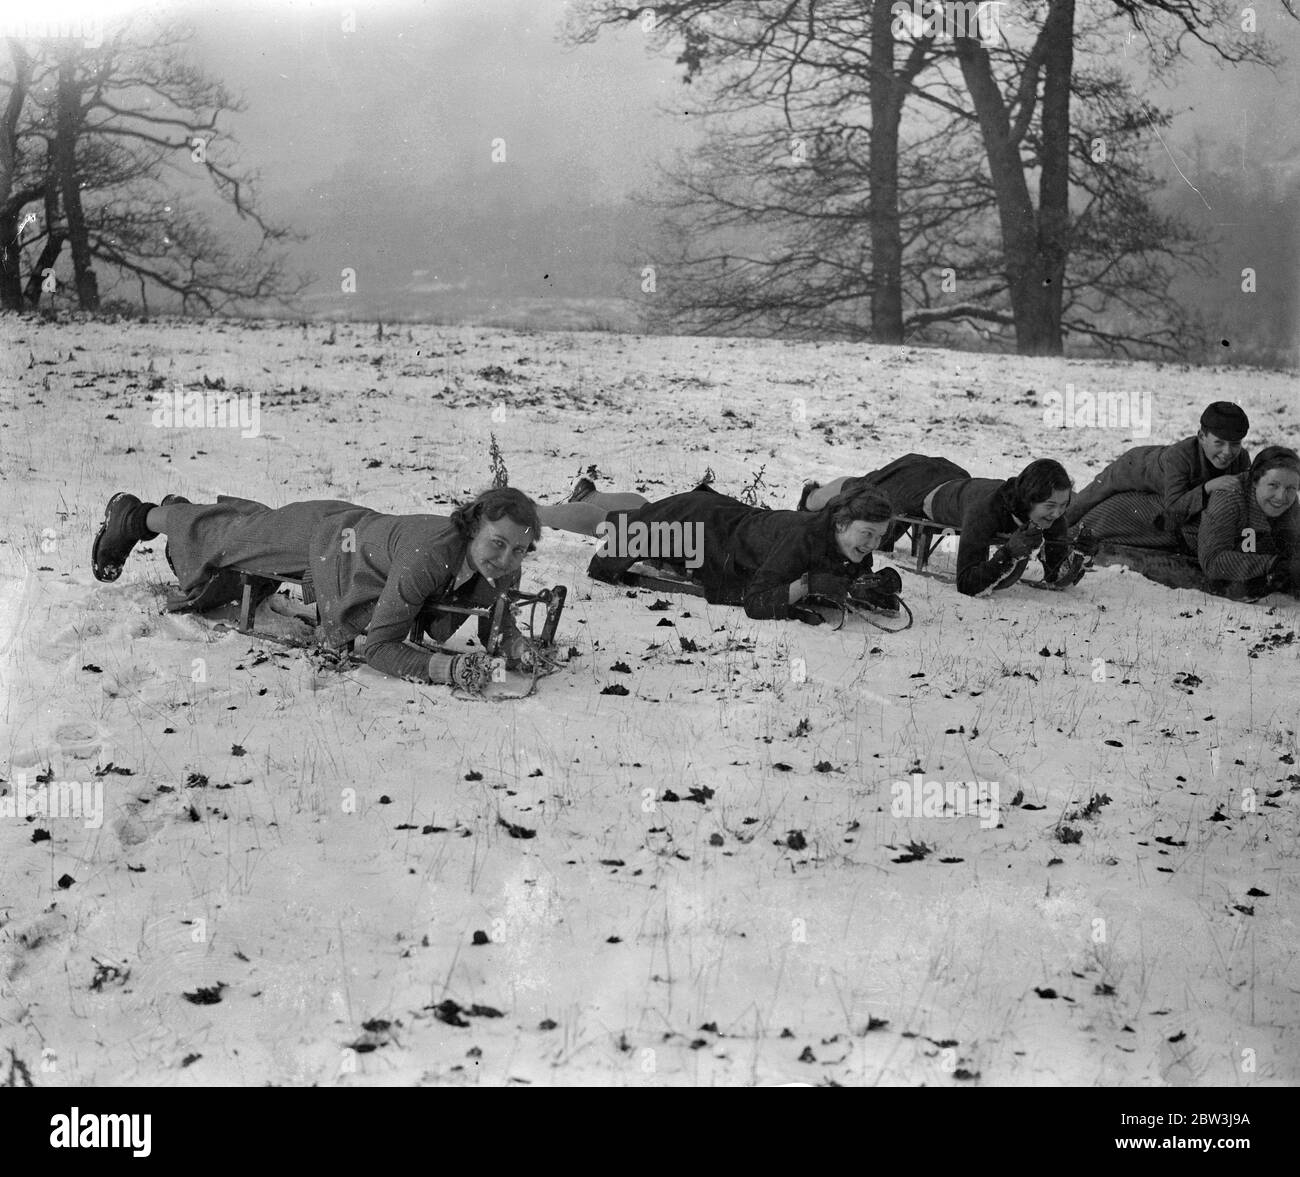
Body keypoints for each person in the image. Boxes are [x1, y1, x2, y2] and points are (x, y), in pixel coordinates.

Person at [91, 487, 550, 689]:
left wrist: (515, 645)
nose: (508, 560)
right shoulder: (427, 557)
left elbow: (502, 613)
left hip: (360, 537)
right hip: (328, 537)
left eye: (520, 550)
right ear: (473, 527)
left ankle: (185, 514)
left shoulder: (502, 566)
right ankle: (136, 516)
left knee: (243, 530)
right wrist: (447, 671)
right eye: (499, 543)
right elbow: (380, 648)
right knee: (233, 537)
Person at [541, 479, 899, 623]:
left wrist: (864, 585)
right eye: (867, 534)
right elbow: (756, 602)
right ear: (840, 522)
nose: (871, 546)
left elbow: (845, 572)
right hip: (700, 532)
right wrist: (805, 586)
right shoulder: (804, 538)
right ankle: (530, 514)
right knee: (611, 529)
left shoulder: (847, 541)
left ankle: (589, 495)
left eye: (878, 538)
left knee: (639, 514)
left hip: (724, 522)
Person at [798, 454, 1082, 597]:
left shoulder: (1050, 512)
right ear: (1029, 498)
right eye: (1050, 506)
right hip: (916, 486)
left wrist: (1079, 556)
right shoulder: (985, 510)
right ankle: (811, 496)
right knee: (862, 489)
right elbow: (967, 585)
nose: (1057, 514)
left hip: (953, 477)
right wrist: (1008, 555)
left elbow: (1057, 574)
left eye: (1063, 505)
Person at [1060, 401, 1251, 546]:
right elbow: (1174, 507)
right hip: (1132, 466)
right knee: (1086, 501)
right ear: (1202, 437)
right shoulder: (1180, 456)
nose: (1227, 452)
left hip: (1160, 481)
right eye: (1219, 443)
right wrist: (1208, 488)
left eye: (1235, 444)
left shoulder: (1242, 458)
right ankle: (1050, 529)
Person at [1196, 445, 1300, 600]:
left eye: (1291, 488)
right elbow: (1212, 560)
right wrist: (1272, 565)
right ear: (1255, 481)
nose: (1281, 497)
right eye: (1273, 485)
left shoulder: (1289, 502)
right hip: (1161, 532)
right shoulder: (1229, 497)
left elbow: (1292, 544)